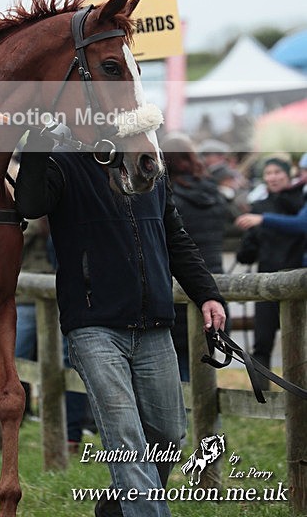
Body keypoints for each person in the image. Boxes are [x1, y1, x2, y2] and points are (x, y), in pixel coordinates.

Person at [14, 135, 226, 517]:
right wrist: (37, 143)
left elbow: (173, 235)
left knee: (168, 437)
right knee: (126, 438)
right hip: (94, 325)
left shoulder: (148, 160)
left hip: (154, 324)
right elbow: (29, 204)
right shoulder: (62, 160)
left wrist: (207, 294)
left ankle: (115, 509)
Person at [161, 133, 229, 381]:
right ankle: (209, 419)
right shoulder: (214, 192)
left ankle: (190, 416)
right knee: (207, 355)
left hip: (184, 279)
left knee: (180, 362)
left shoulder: (168, 198)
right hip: (215, 279)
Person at [235, 157, 306, 387]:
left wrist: (260, 220)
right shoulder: (259, 206)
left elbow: (299, 226)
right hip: (265, 281)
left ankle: (298, 392)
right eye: (268, 173)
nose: (273, 177)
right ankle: (261, 394)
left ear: (289, 174)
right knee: (262, 342)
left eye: (277, 172)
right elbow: (249, 250)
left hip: (299, 281)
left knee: (298, 340)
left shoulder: (299, 202)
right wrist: (245, 246)